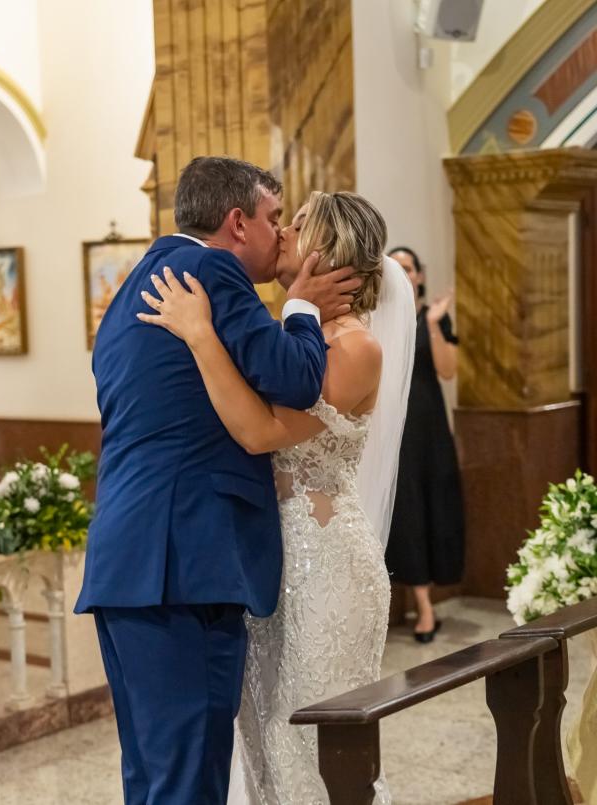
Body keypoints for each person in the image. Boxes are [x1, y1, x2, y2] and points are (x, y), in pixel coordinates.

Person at [74, 157, 363, 803]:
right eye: (273, 217)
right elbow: (295, 379)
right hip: (184, 564)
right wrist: (299, 308)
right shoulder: (210, 271)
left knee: (153, 774)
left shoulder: (135, 284)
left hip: (130, 559)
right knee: (189, 779)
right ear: (238, 222)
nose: (280, 232)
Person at [140, 190, 415, 804]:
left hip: (326, 567)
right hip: (266, 562)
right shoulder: (292, 333)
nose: (283, 232)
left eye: (298, 225)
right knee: (265, 745)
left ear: (329, 252)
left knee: (313, 751)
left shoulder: (356, 347)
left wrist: (199, 333)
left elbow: (261, 432)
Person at [385, 246, 465, 643]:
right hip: (392, 429)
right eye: (395, 266)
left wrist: (432, 323)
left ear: (419, 275)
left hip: (429, 428)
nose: (403, 272)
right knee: (406, 512)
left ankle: (429, 599)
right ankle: (423, 607)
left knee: (433, 506)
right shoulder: (378, 317)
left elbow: (448, 371)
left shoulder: (433, 317)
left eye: (409, 267)